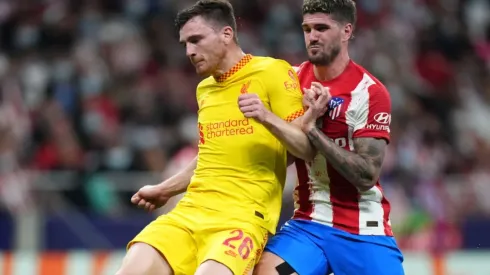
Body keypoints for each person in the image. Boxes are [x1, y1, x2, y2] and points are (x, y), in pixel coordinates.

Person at [116, 0, 316, 274]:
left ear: (226, 34)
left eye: (196, 40)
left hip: (242, 218)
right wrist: (165, 189)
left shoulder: (272, 72)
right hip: (191, 211)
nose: (189, 51)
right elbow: (211, 156)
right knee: (133, 267)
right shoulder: (205, 90)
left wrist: (267, 117)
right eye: (185, 43)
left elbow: (307, 149)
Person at [253, 0, 405, 274]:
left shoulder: (369, 92)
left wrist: (313, 129)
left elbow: (366, 175)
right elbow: (281, 153)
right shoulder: (291, 81)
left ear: (346, 31)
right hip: (307, 226)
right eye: (307, 28)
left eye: (321, 28)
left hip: (363, 230)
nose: (312, 36)